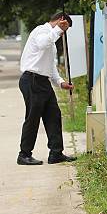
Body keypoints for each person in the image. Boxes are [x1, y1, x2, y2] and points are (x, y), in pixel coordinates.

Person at [17, 12, 78, 165]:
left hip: (43, 82)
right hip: (31, 80)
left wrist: (60, 82)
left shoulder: (52, 37)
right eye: (65, 29)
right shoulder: (41, 31)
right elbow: (43, 43)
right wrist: (58, 29)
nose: (63, 33)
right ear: (60, 21)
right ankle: (24, 154)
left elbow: (51, 67)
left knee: (54, 115)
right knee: (33, 117)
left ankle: (56, 153)